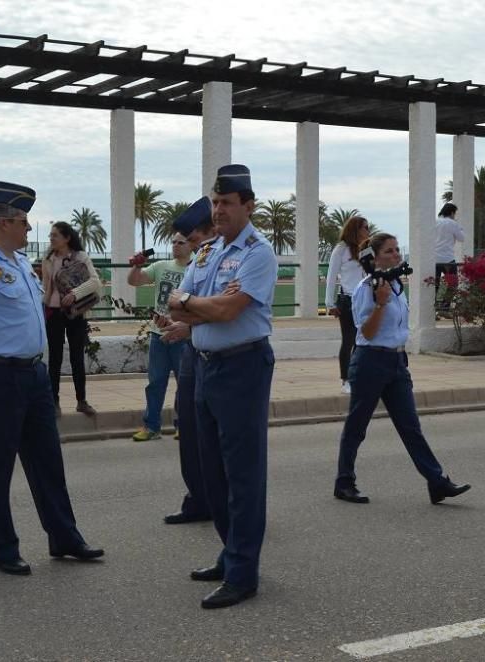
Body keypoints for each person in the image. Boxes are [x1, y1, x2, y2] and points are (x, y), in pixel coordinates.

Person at [0, 180, 103, 576]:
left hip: (32, 375)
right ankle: (2, 549)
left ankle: (65, 537)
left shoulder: (18, 263)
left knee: (48, 462)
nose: (29, 229)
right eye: (22, 221)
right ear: (2, 224)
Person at [167, 164, 277, 609]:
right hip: (206, 364)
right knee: (211, 471)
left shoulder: (258, 252)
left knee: (243, 474)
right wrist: (200, 305)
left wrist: (196, 304)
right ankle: (231, 553)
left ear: (248, 206)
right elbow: (180, 306)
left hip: (242, 366)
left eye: (227, 203)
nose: (218, 210)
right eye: (214, 202)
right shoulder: (208, 251)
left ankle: (243, 573)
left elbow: (230, 311)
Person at [333, 232, 471, 506]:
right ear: (374, 258)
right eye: (389, 251)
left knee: (411, 427)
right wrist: (381, 304)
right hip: (371, 361)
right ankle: (344, 482)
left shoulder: (395, 285)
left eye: (397, 250)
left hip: (396, 363)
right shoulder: (366, 289)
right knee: (356, 426)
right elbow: (368, 333)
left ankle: (436, 482)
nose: (396, 254)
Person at [159, 197, 217, 525]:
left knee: (215, 435)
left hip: (216, 356)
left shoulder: (225, 259)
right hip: (192, 351)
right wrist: (186, 319)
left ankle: (223, 502)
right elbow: (176, 303)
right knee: (190, 431)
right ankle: (198, 499)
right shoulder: (200, 260)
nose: (191, 247)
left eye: (193, 239)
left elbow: (225, 308)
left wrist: (191, 310)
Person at [127, 230, 193, 440]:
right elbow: (135, 281)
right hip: (159, 334)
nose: (175, 245)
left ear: (191, 245)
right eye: (173, 242)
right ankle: (151, 426)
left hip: (182, 335)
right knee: (155, 382)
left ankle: (183, 425)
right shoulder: (161, 266)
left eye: (180, 242)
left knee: (185, 383)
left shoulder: (196, 269)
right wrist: (137, 265)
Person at [41, 221, 102, 417]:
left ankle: (81, 401)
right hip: (54, 312)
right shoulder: (48, 258)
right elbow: (46, 285)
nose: (51, 238)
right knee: (55, 359)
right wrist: (43, 305)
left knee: (77, 357)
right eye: (51, 235)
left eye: (55, 235)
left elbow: (94, 282)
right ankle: (54, 401)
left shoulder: (81, 257)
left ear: (67, 238)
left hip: (76, 313)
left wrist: (75, 294)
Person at [324, 215, 370, 394]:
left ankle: (359, 375)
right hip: (347, 300)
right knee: (349, 340)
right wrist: (330, 303)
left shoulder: (366, 249)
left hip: (364, 299)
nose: (367, 231)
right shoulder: (341, 249)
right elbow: (331, 276)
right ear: (355, 229)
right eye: (364, 227)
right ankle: (346, 379)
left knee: (363, 340)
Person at [434, 202, 466, 298]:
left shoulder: (435, 222)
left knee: (435, 285)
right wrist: (460, 228)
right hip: (448, 259)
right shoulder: (453, 223)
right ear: (452, 213)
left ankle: (433, 307)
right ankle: (445, 306)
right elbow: (462, 238)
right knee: (453, 283)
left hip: (434, 258)